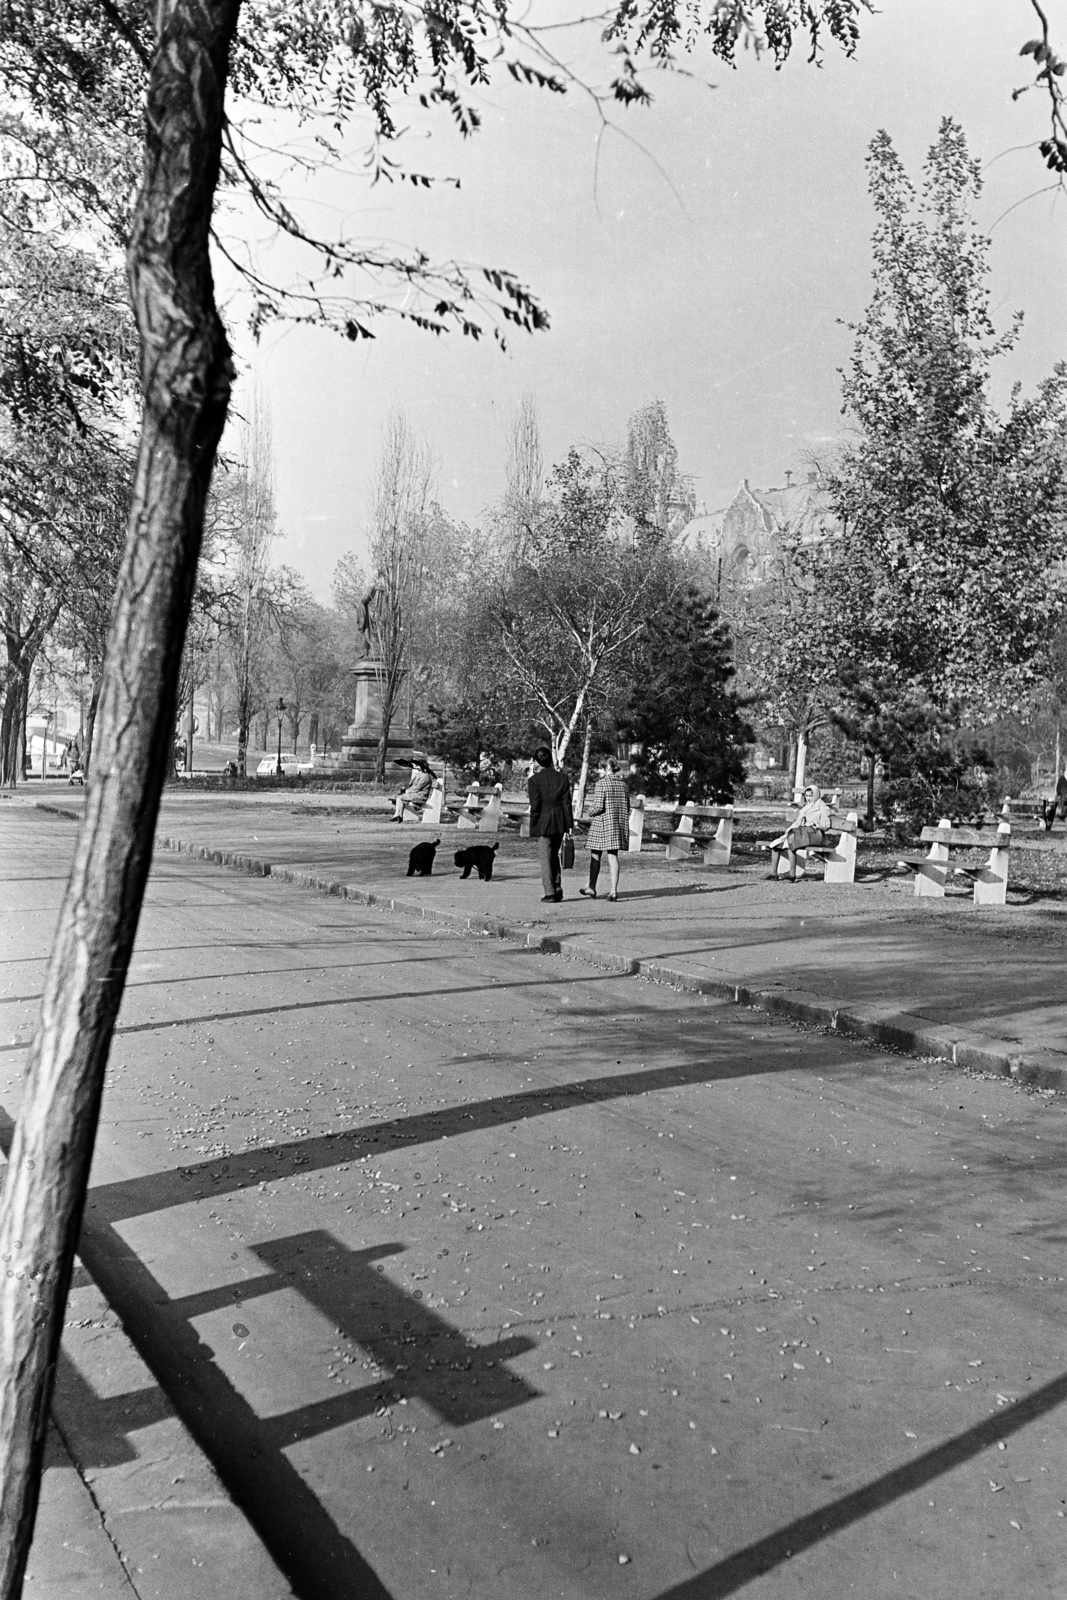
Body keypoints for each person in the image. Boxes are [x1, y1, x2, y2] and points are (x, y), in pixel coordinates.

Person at [580, 755, 630, 902]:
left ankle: (592, 886)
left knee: (595, 854)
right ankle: (613, 890)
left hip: (601, 824)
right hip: (616, 824)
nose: (599, 770)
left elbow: (598, 806)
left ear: (606, 767)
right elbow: (627, 807)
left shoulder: (601, 784)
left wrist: (588, 811)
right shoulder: (624, 785)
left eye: (600, 767)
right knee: (613, 856)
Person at [527, 745, 574, 903]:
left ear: (537, 762)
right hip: (560, 821)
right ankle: (557, 885)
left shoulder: (534, 780)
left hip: (544, 822)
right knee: (554, 854)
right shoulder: (562, 778)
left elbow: (535, 806)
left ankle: (550, 892)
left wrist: (533, 826)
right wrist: (569, 825)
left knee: (545, 857)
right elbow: (567, 804)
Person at [766, 783, 835, 881]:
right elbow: (798, 823)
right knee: (777, 844)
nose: (808, 798)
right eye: (806, 796)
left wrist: (814, 823)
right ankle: (773, 873)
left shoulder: (823, 808)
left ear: (816, 794)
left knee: (791, 843)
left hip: (815, 836)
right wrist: (788, 832)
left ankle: (792, 874)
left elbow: (826, 825)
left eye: (810, 795)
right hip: (802, 834)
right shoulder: (805, 808)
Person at [391, 756, 436, 821]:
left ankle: (398, 815)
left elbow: (417, 787)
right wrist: (406, 790)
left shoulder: (425, 776)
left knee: (400, 797)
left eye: (416, 766)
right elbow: (412, 785)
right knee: (399, 797)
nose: (415, 767)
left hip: (420, 796)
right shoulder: (420, 774)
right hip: (415, 794)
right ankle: (399, 815)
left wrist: (407, 791)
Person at [1043, 763, 1067, 831]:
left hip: (1064, 799)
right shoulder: (1062, 779)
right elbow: (1058, 789)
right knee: (1059, 813)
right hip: (1062, 800)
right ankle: (1048, 827)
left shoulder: (1062, 778)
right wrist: (1060, 796)